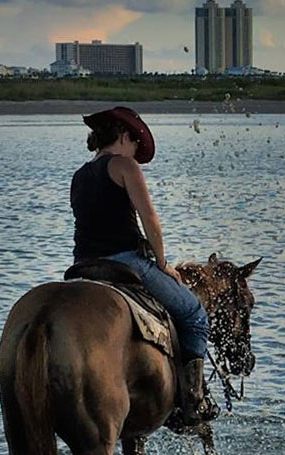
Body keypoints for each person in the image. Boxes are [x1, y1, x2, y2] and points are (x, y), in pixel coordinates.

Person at [70, 106, 217, 426]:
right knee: (195, 315)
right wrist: (163, 264)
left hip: (83, 265)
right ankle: (193, 401)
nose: (136, 152)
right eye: (135, 143)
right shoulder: (125, 166)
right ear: (124, 137)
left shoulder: (80, 174)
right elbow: (150, 220)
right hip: (124, 262)